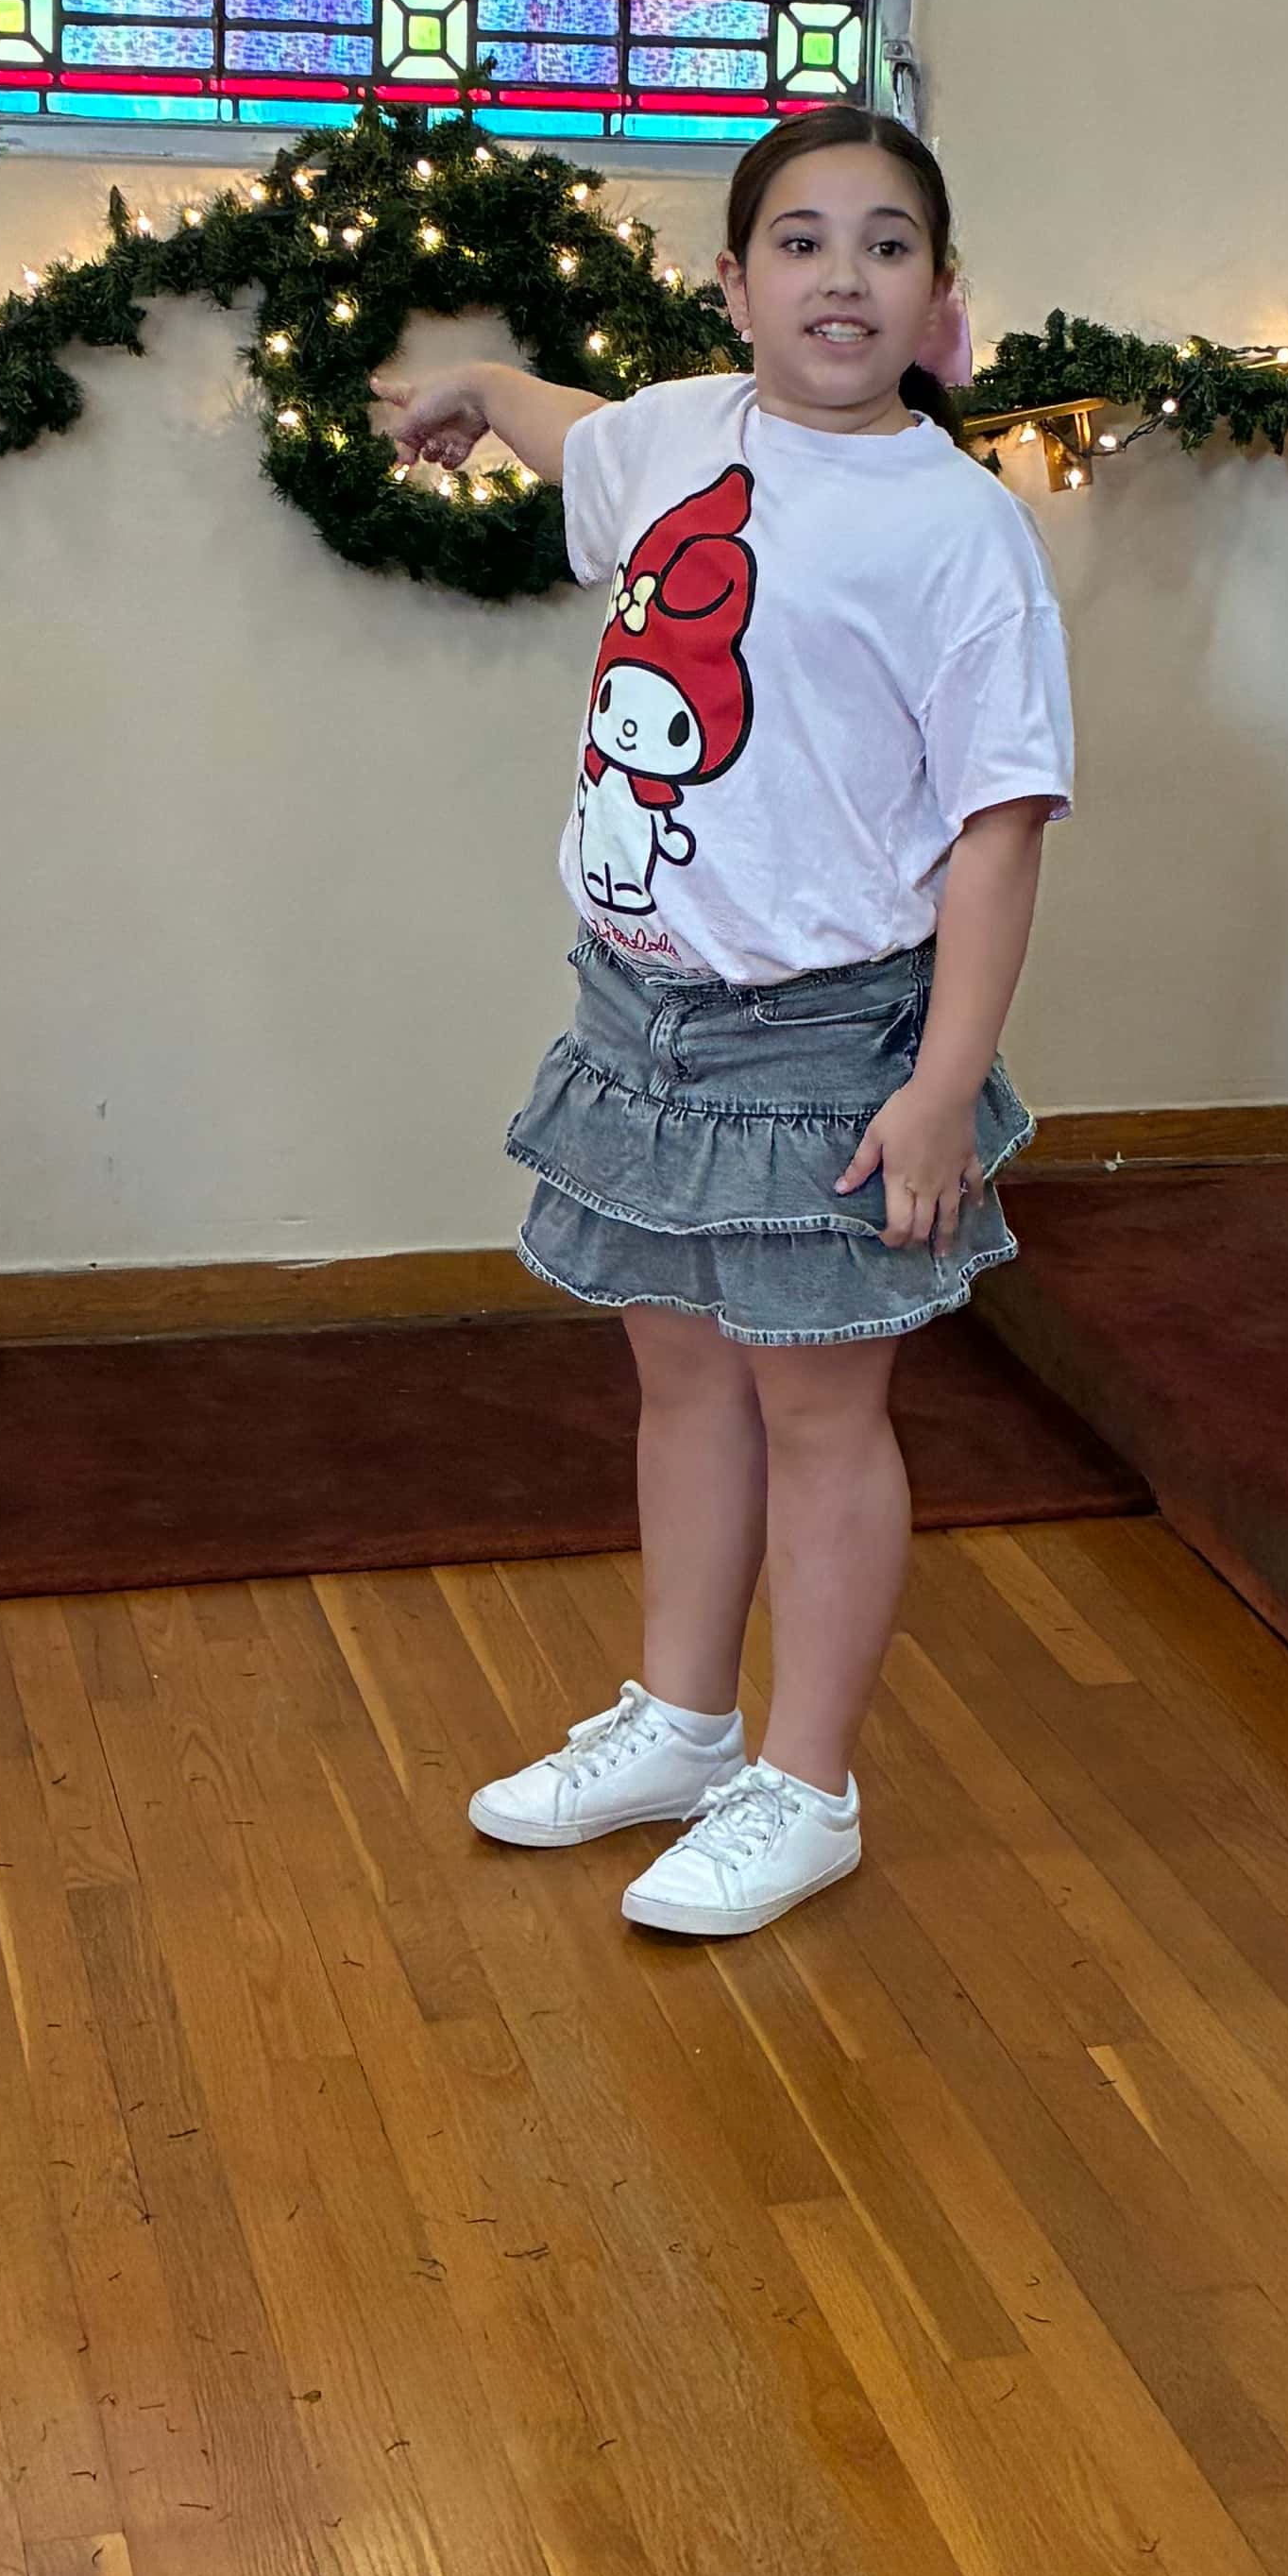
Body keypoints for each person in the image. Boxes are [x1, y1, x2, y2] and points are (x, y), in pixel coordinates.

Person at [373, 104, 1072, 1940]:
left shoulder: (960, 532)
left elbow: (1001, 829)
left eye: (888, 245)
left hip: (821, 1043)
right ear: (736, 284)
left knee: (821, 1413)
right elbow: (574, 431)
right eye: (803, 241)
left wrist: (941, 1083)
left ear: (939, 294)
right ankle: (683, 1725)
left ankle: (806, 1783)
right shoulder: (684, 432)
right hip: (639, 1015)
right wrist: (480, 385)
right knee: (680, 1379)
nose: (844, 277)